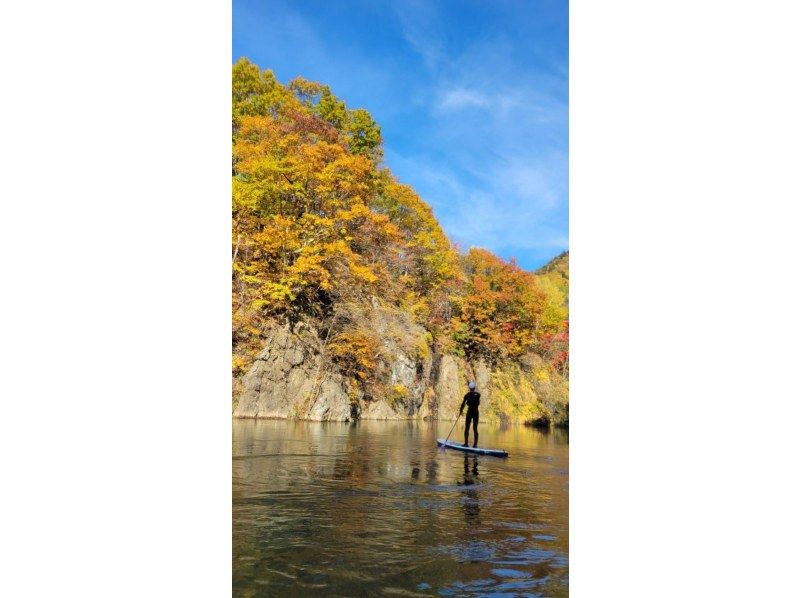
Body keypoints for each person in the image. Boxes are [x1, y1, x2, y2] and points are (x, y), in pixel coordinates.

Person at [460, 381, 481, 447]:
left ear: (469, 388)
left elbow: (463, 404)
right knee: (475, 428)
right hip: (476, 412)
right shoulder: (478, 394)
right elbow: (478, 403)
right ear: (474, 387)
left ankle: (466, 444)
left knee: (467, 428)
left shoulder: (467, 395)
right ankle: (475, 445)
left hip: (470, 412)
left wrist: (460, 411)